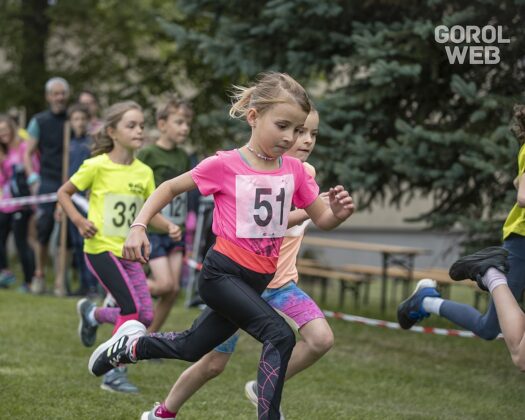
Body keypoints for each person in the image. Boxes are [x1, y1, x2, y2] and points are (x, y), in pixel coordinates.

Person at [87, 72, 354, 420]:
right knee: (280, 335)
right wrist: (139, 226)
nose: (290, 137)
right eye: (283, 126)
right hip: (222, 275)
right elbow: (169, 187)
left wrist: (338, 214)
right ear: (254, 117)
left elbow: (322, 218)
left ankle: (131, 346)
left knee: (192, 347)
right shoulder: (225, 164)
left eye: (298, 129)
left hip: (257, 281)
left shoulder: (296, 171)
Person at [140, 106, 334, 420]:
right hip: (240, 285)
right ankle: (163, 412)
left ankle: (263, 387)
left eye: (312, 133)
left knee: (321, 339)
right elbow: (268, 220)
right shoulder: (251, 172)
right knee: (212, 364)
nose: (305, 140)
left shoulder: (303, 175)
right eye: (299, 131)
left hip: (281, 285)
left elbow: (322, 218)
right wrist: (312, 211)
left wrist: (332, 211)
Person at [56, 101, 181, 393]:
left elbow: (147, 212)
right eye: (131, 125)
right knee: (130, 309)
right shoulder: (96, 166)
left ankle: (93, 314)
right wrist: (78, 221)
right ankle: (113, 374)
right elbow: (63, 193)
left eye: (141, 125)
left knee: (145, 316)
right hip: (100, 249)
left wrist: (168, 226)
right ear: (112, 131)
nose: (139, 131)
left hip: (129, 252)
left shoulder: (144, 172)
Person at [397, 104, 525, 347]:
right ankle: (428, 300)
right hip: (522, 241)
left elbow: (518, 182)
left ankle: (427, 301)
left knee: (492, 330)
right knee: (490, 329)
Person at [137, 97, 193, 332]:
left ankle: (146, 339)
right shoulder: (147, 154)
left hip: (176, 230)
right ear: (162, 124)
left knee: (173, 290)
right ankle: (124, 290)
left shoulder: (183, 157)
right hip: (154, 230)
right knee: (164, 284)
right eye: (179, 122)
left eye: (187, 123)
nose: (185, 128)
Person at [24, 76, 70, 294]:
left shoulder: (73, 119)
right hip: (48, 181)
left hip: (70, 181)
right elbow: (27, 153)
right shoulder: (39, 121)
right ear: (48, 96)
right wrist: (32, 178)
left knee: (67, 235)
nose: (59, 97)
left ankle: (61, 280)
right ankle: (40, 274)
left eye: (62, 93)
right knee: (44, 229)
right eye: (55, 94)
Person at [64, 103, 98, 296]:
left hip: (85, 199)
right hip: (71, 197)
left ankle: (93, 285)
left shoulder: (90, 144)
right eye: (76, 119)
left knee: (87, 240)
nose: (79, 123)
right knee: (76, 243)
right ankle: (83, 284)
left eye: (83, 119)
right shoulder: (70, 144)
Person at [0, 115, 36, 292]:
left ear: (12, 130)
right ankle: (5, 272)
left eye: (5, 130)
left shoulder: (23, 148)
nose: (3, 134)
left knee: (21, 242)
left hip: (22, 203)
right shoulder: (3, 152)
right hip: (6, 203)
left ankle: (29, 281)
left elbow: (32, 170)